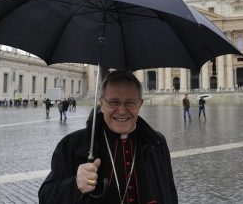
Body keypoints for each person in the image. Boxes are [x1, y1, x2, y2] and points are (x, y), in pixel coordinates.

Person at [38, 70, 178, 204]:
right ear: (102, 103)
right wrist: (75, 185)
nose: (122, 110)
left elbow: (170, 193)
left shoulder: (156, 142)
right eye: (114, 102)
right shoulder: (72, 145)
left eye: (130, 102)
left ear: (140, 104)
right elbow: (45, 197)